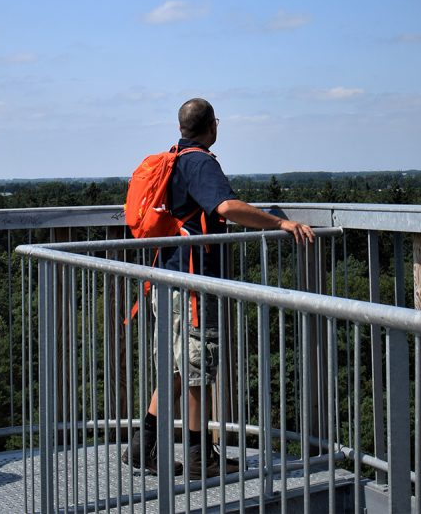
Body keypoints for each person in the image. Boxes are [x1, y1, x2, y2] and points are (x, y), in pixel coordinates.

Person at [123, 98, 315, 479]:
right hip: (193, 285)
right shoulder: (200, 162)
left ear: (181, 128)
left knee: (176, 370)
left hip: (167, 277)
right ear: (212, 126)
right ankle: (200, 458)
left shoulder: (174, 159)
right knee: (197, 368)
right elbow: (225, 207)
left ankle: (143, 447)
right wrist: (279, 223)